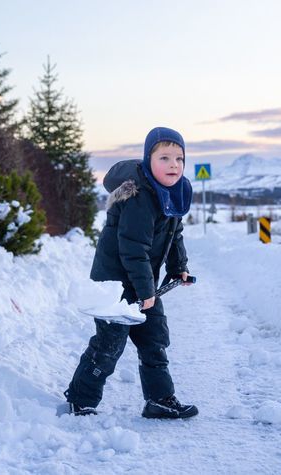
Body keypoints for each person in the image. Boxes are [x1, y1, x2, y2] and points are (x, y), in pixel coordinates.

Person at [64, 126, 197, 419]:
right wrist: (146, 290)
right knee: (110, 345)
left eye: (179, 158)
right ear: (148, 161)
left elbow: (175, 234)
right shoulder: (139, 197)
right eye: (164, 158)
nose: (173, 164)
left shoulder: (173, 193)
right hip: (114, 283)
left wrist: (179, 268)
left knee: (154, 341)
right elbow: (132, 249)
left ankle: (160, 400)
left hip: (141, 282)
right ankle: (80, 400)